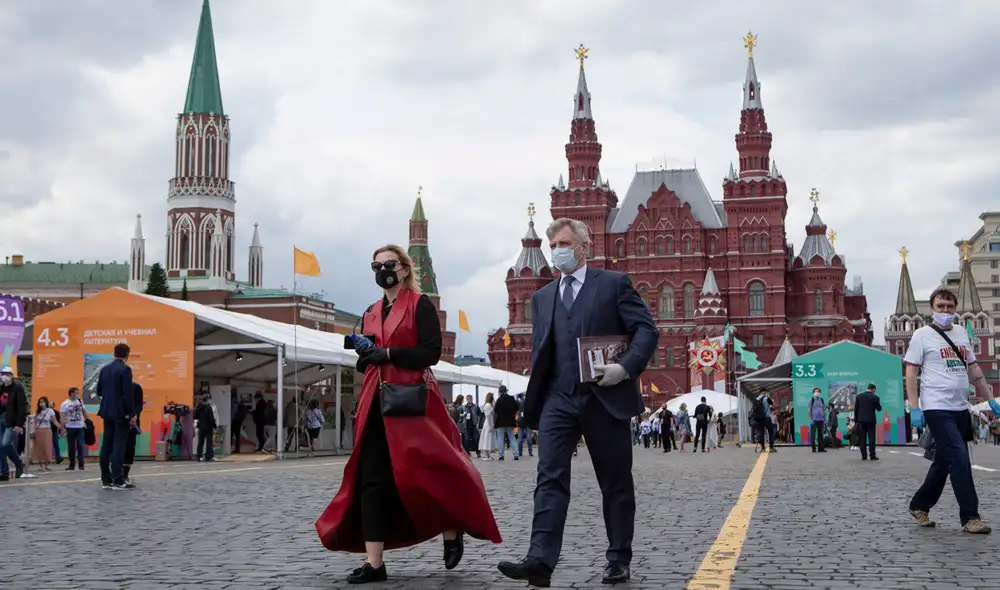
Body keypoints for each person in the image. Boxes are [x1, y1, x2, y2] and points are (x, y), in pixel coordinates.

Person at [315, 244, 501, 584]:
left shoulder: (420, 305)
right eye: (376, 265)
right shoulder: (371, 310)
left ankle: (451, 528)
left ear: (404, 268)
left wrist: (385, 352)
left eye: (388, 264)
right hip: (375, 401)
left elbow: (429, 353)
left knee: (426, 470)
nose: (382, 270)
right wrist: (364, 353)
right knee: (370, 479)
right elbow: (367, 358)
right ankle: (375, 563)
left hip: (412, 400)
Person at [497, 218, 658, 586]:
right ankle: (539, 560)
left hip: (605, 397)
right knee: (549, 477)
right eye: (553, 246)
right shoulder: (542, 297)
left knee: (615, 481)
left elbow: (646, 329)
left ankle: (618, 558)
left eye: (564, 243)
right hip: (558, 398)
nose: (557, 251)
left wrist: (626, 368)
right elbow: (545, 349)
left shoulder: (613, 284)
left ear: (585, 246)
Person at [906, 287, 993, 534]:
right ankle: (970, 516)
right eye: (940, 306)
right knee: (959, 457)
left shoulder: (961, 334)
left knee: (944, 460)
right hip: (936, 406)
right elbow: (911, 372)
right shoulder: (922, 335)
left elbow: (973, 369)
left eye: (949, 307)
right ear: (932, 309)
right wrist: (915, 407)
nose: (945, 311)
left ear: (955, 309)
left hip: (960, 407)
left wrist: (989, 398)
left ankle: (919, 504)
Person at [97, 343, 137, 490]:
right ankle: (118, 479)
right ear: (127, 355)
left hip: (106, 411)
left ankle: (105, 479)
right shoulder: (125, 370)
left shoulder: (104, 369)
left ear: (114, 353)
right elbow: (128, 394)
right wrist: (132, 414)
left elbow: (99, 391)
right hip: (120, 413)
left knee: (106, 445)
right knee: (119, 445)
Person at [0, 366, 27, 481]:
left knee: (5, 444)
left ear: (11, 375)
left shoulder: (18, 387)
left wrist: (19, 423)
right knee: (0, 447)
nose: (3, 376)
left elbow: (22, 406)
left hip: (11, 420)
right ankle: (4, 472)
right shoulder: (1, 388)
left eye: (6, 374)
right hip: (1, 418)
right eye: (2, 374)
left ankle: (18, 462)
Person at [30, 396, 62, 470]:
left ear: (46, 402)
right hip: (39, 431)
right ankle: (42, 465)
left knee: (47, 448)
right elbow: (34, 422)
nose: (41, 403)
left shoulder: (50, 411)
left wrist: (61, 427)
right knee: (39, 448)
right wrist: (33, 431)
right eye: (40, 402)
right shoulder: (37, 411)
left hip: (47, 431)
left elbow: (55, 421)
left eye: (43, 402)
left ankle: (46, 464)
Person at [60, 387, 89, 471]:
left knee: (80, 445)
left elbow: (84, 412)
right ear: (71, 393)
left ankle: (81, 465)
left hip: (80, 427)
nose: (77, 394)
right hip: (70, 427)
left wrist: (87, 421)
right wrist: (62, 428)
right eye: (76, 393)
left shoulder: (80, 401)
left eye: (78, 393)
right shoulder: (65, 404)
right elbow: (62, 417)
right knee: (71, 447)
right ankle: (71, 465)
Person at [123, 382, 144, 485]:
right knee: (117, 446)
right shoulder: (117, 386)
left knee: (130, 446)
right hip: (119, 420)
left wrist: (133, 416)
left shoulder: (136, 387)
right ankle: (115, 473)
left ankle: (125, 474)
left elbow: (139, 405)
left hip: (132, 422)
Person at [853, 383, 882, 461]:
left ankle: (864, 456)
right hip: (871, 420)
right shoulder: (875, 397)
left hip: (861, 420)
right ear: (873, 389)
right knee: (871, 438)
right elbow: (879, 409)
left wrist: (856, 421)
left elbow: (856, 410)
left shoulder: (859, 397)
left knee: (862, 438)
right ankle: (872, 455)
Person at [493, 386, 518, 460]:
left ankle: (501, 455)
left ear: (500, 391)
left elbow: (496, 411)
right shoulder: (512, 398)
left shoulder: (499, 400)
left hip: (501, 422)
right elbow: (516, 408)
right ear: (506, 391)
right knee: (512, 438)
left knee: (501, 438)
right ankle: (516, 454)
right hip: (510, 421)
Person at [195, 393, 218, 462]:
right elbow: (211, 418)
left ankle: (199, 456)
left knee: (200, 442)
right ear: (207, 400)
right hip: (208, 427)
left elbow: (196, 416)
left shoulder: (198, 407)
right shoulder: (208, 407)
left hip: (201, 426)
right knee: (209, 442)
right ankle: (208, 456)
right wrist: (215, 426)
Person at [478, 392, 497, 460]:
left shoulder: (487, 405)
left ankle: (487, 455)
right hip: (489, 423)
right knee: (487, 439)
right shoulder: (488, 405)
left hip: (487, 423)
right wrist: (491, 426)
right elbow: (488, 416)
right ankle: (486, 455)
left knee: (486, 439)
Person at [808, 388, 827, 453]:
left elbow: (824, 411)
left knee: (820, 435)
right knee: (813, 435)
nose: (817, 393)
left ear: (820, 393)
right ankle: (813, 448)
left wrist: (825, 419)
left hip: (821, 420)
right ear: (813, 393)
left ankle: (821, 448)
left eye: (818, 391)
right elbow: (809, 411)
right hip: (814, 420)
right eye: (815, 391)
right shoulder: (811, 400)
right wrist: (811, 419)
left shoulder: (821, 400)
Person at [515, 393, 534, 457]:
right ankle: (527, 452)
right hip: (523, 422)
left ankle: (522, 452)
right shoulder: (520, 402)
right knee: (526, 438)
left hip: (524, 422)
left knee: (522, 439)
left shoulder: (522, 402)